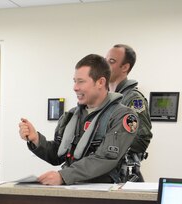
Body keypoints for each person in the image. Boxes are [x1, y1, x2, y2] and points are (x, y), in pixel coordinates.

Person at [18, 54, 139, 185]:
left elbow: (105, 159)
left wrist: (63, 176)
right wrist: (35, 139)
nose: (75, 87)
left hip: (103, 197)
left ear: (100, 82)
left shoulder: (123, 116)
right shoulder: (71, 116)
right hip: (72, 191)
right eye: (74, 81)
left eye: (81, 81)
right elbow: (57, 154)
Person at [106, 44, 153, 163]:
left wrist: (108, 144)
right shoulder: (103, 98)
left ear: (125, 67)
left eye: (111, 61)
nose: (105, 65)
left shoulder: (133, 99)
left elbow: (142, 139)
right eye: (105, 61)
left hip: (120, 170)